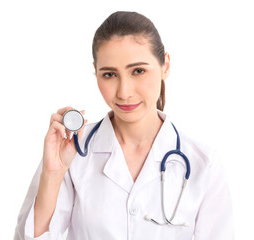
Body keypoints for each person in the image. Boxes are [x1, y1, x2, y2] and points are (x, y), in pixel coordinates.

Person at [14, 11, 234, 240]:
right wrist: (53, 173)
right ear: (96, 73)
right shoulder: (71, 151)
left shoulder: (204, 164)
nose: (124, 92)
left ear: (165, 66)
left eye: (138, 71)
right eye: (109, 74)